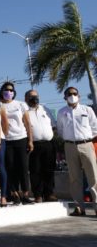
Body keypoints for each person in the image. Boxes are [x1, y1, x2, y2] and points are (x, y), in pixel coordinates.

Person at [56, 87, 97, 216]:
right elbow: (60, 130)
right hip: (70, 146)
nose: (72, 96)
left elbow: (95, 127)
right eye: (69, 94)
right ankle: (79, 207)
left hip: (87, 144)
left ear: (79, 96)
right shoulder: (61, 112)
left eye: (75, 93)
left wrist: (86, 138)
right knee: (74, 178)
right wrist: (70, 140)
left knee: (93, 176)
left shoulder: (87, 110)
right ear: (65, 97)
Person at [0, 82, 33, 205]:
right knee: (10, 167)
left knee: (23, 167)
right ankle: (14, 193)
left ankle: (25, 193)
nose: (8, 92)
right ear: (1, 91)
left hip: (21, 138)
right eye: (6, 90)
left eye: (11, 90)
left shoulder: (21, 104)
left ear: (14, 92)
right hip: (7, 140)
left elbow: (27, 123)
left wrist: (30, 140)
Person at [25, 90, 57, 203]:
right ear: (26, 99)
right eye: (31, 96)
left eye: (36, 96)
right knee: (35, 170)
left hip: (48, 144)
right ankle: (38, 194)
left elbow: (53, 125)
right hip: (34, 145)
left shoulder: (45, 109)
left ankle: (49, 193)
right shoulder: (25, 112)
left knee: (49, 170)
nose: (34, 98)